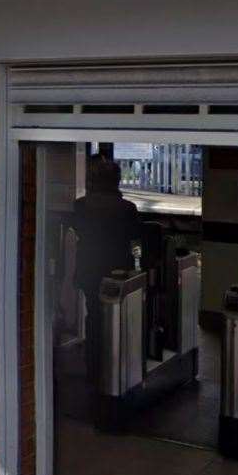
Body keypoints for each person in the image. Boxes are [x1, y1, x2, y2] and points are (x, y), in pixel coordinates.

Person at [62, 154, 144, 377]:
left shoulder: (80, 205)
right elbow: (135, 241)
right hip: (118, 271)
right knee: (117, 315)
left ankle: (93, 363)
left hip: (89, 268)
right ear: (116, 181)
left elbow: (77, 230)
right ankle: (115, 364)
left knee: (94, 314)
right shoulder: (127, 208)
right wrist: (138, 266)